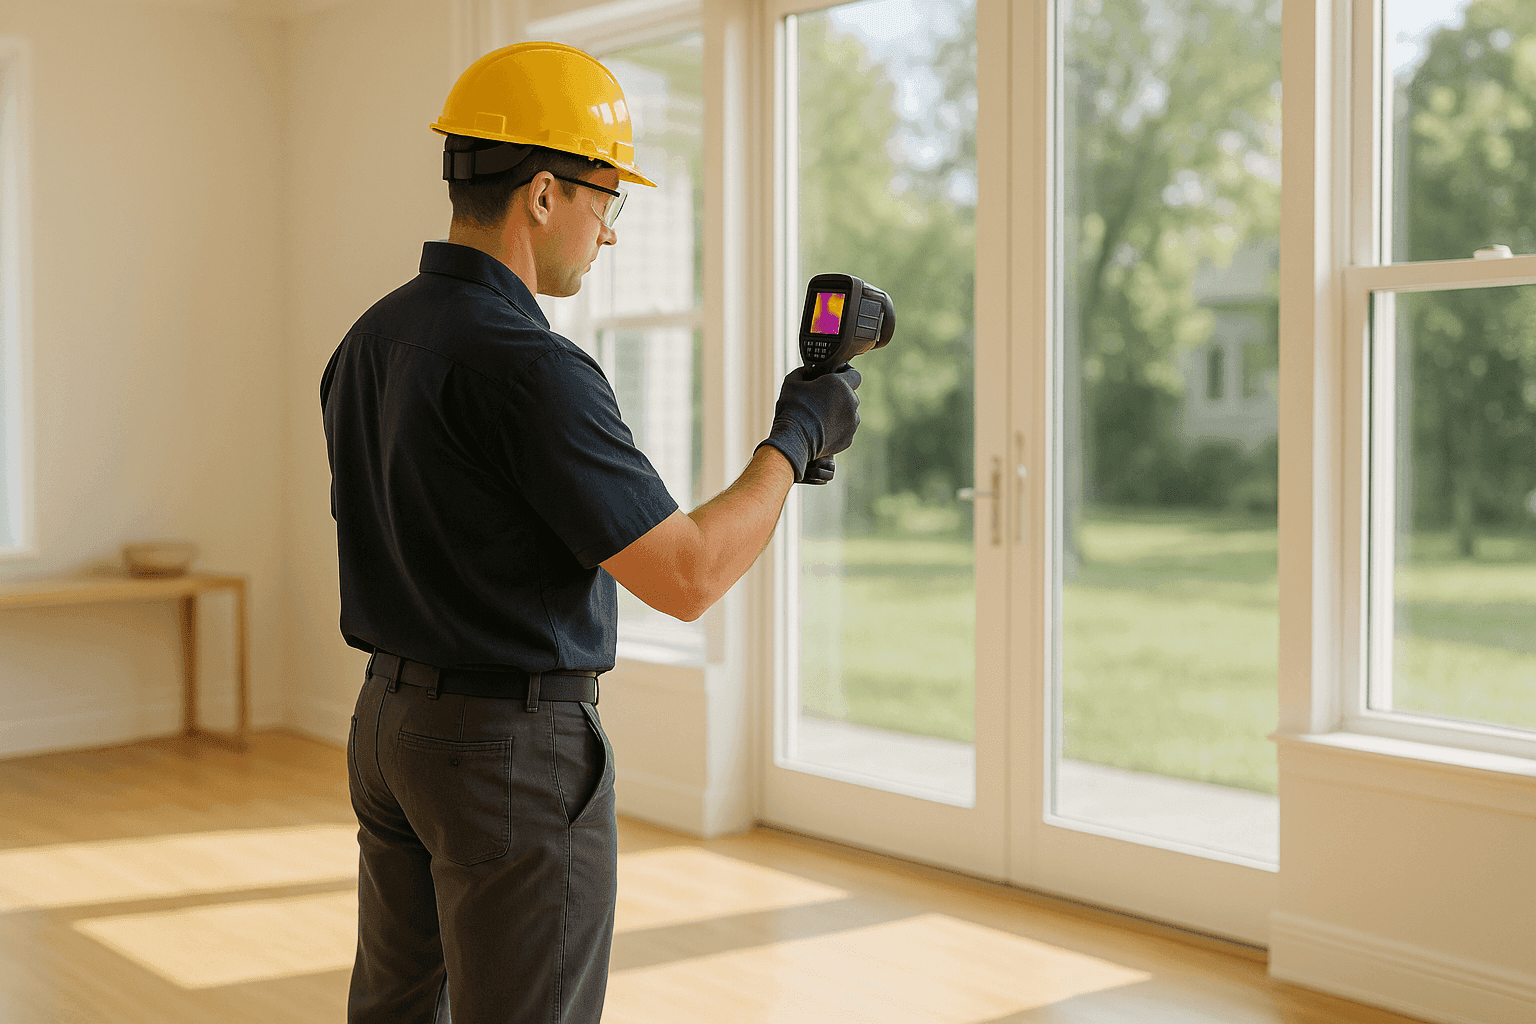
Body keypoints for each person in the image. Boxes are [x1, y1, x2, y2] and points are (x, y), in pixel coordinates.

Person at [320, 41, 862, 1024]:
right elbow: (687, 575)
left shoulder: (371, 338)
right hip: (505, 754)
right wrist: (796, 438)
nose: (608, 232)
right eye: (604, 199)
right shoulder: (533, 365)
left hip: (388, 729)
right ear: (540, 193)